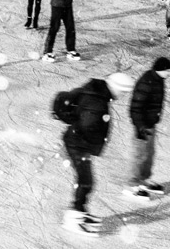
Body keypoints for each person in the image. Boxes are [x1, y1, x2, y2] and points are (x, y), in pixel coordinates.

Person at [58, 72, 135, 235]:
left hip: (78, 143)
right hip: (77, 145)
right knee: (86, 181)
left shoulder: (98, 94)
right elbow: (88, 126)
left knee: (86, 181)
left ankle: (80, 212)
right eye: (122, 92)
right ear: (115, 88)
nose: (122, 96)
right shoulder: (97, 102)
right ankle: (73, 219)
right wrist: (93, 143)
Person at [124, 57, 170, 202]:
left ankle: (143, 180)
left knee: (149, 154)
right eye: (168, 71)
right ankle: (132, 185)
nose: (169, 73)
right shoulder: (147, 82)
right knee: (139, 155)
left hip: (150, 124)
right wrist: (140, 126)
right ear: (161, 70)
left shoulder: (158, 80)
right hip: (142, 125)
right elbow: (135, 107)